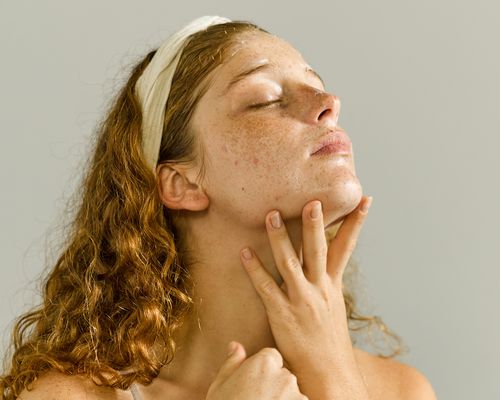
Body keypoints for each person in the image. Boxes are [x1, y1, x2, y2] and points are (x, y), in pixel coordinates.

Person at [0, 15, 437, 400]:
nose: (329, 105)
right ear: (182, 183)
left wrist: (334, 377)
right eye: (265, 99)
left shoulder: (400, 392)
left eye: (318, 87)